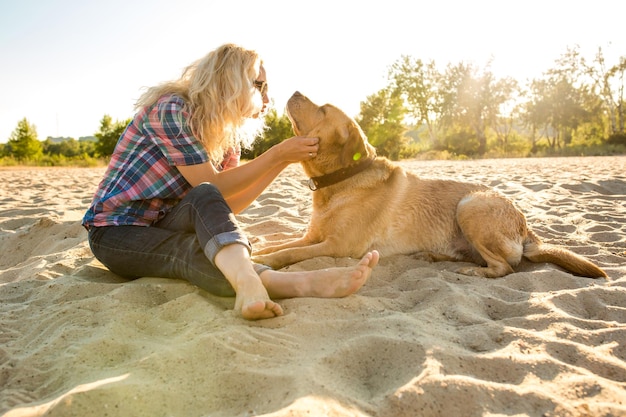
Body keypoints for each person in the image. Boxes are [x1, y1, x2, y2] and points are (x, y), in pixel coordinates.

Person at [82, 43, 379, 320]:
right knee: (187, 248)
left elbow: (225, 205)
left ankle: (251, 280)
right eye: (258, 85)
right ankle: (285, 282)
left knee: (206, 207)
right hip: (115, 232)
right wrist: (276, 154)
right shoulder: (173, 109)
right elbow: (215, 185)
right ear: (230, 82)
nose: (266, 98)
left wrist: (283, 161)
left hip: (166, 221)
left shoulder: (228, 141)